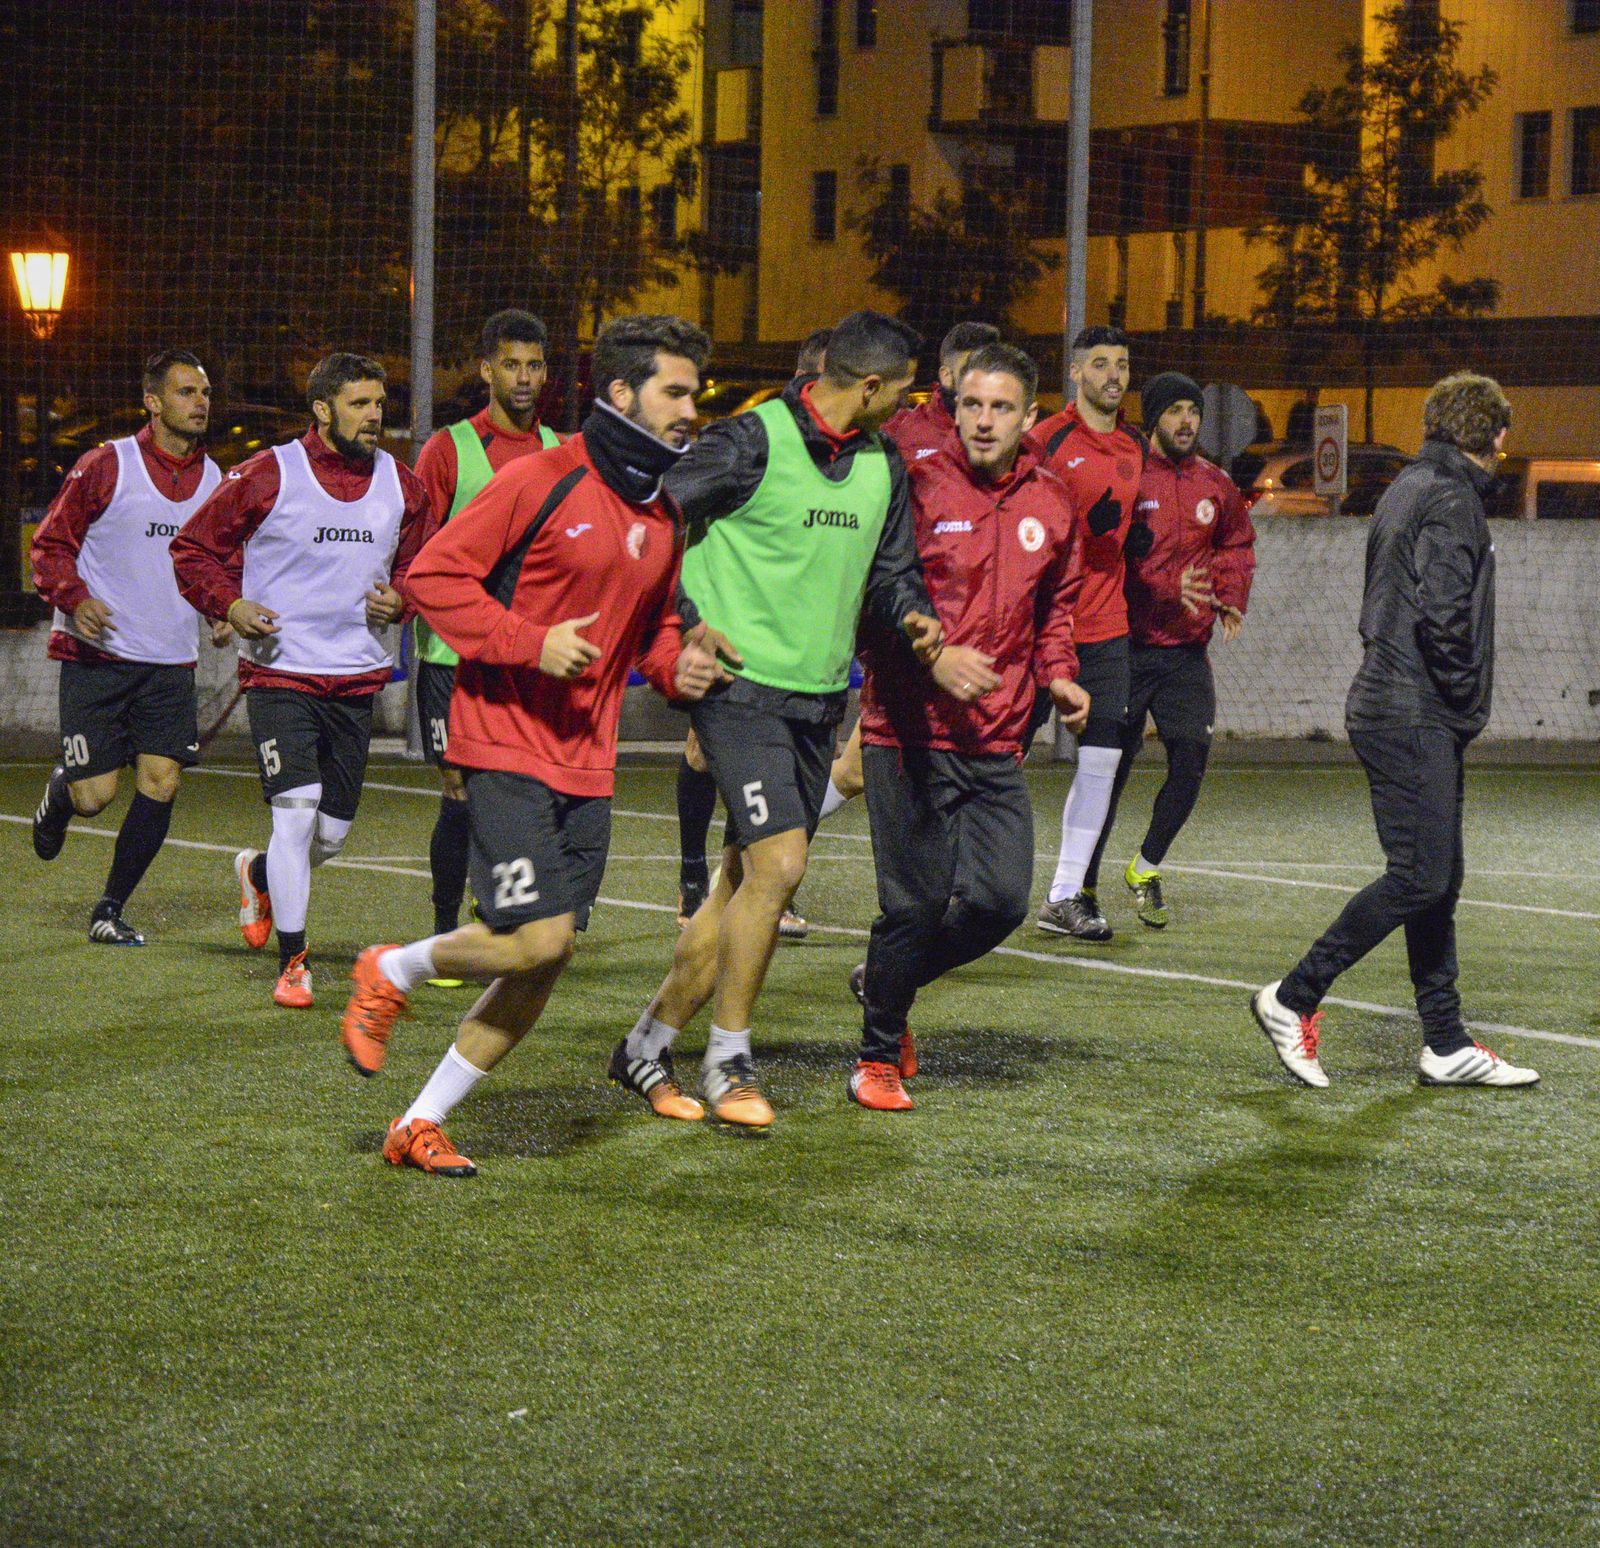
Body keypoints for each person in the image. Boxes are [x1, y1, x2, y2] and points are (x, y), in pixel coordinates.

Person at [339, 315, 725, 1178]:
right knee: (539, 940)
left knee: (541, 960)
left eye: (693, 394)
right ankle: (391, 966)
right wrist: (529, 639)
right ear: (622, 395)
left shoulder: (664, 515)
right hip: (503, 739)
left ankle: (420, 1121)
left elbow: (654, 631)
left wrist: (680, 667)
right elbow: (433, 577)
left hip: (588, 763)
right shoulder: (544, 479)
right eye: (675, 391)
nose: (690, 409)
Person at [616, 309, 985, 1130]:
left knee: (738, 890)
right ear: (870, 386)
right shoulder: (748, 443)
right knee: (779, 868)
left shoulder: (883, 463)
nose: (907, 407)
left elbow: (892, 577)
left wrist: (918, 619)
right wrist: (678, 625)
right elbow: (648, 526)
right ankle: (728, 1059)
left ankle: (646, 1043)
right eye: (903, 393)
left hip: (819, 701)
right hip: (738, 693)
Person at [1253, 373, 1538, 1089]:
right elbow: (1443, 613)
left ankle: (1444, 1042)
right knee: (1419, 875)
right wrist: (1464, 691)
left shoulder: (1409, 488)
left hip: (1400, 703)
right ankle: (1293, 997)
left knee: (1438, 878)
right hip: (1413, 708)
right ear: (1496, 436)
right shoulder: (1452, 499)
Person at [848, 343, 1089, 1110]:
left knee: (998, 903)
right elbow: (874, 600)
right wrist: (935, 656)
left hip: (994, 737)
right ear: (954, 407)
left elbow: (1056, 604)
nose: (984, 421)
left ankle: (886, 979)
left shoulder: (1051, 500)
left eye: (1002, 407)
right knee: (914, 906)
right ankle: (877, 1056)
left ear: (1029, 417)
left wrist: (1057, 670)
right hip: (907, 732)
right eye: (973, 405)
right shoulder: (911, 488)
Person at [171, 353, 433, 1007]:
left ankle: (257, 874)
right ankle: (295, 963)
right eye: (360, 404)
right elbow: (194, 548)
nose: (375, 415)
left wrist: (402, 597)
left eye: (380, 404)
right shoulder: (268, 473)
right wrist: (228, 605)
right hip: (280, 672)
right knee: (294, 812)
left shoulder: (402, 484)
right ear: (322, 409)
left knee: (331, 837)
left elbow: (429, 561)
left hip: (357, 677)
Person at [29, 350, 226, 944]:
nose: (201, 403)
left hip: (170, 662)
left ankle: (109, 910)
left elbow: (223, 560)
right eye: (187, 392)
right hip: (98, 657)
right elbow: (49, 545)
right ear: (154, 401)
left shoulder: (218, 481)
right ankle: (64, 791)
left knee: (162, 780)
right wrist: (75, 595)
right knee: (96, 797)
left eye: (206, 392)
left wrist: (222, 606)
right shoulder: (106, 465)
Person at [672, 328, 835, 938]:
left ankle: (741, 883)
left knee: (790, 786)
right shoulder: (752, 440)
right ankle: (696, 875)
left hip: (805, 658)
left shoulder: (857, 457)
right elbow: (665, 512)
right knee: (699, 754)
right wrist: (689, 615)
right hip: (728, 639)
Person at [412, 310, 561, 973]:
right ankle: (446, 930)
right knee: (459, 791)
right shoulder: (448, 450)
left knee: (521, 789)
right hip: (452, 656)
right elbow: (417, 547)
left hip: (528, 657)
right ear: (485, 370)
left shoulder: (562, 449)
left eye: (534, 365)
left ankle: (497, 919)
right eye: (511, 364)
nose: (523, 377)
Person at [1079, 372, 1256, 929]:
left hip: (1183, 652)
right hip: (1124, 648)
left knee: (1191, 762)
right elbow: (1105, 551)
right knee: (1110, 773)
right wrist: (1159, 585)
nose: (1187, 421)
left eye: (1194, 411)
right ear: (1154, 416)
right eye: (1176, 410)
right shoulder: (1129, 475)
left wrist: (1229, 597)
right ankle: (1079, 888)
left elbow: (1236, 542)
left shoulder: (1214, 483)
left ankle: (1146, 867)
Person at [816, 320, 1006, 824]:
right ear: (945, 374)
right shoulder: (898, 435)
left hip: (982, 634)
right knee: (862, 771)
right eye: (971, 372)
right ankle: (747, 874)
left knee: (964, 775)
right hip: (910, 625)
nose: (982, 389)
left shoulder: (1003, 443)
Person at [1032, 325, 1147, 941]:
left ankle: (1065, 894)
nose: (1113, 375)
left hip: (1106, 627)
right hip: (1037, 627)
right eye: (1100, 363)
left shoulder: (1135, 444)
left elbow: (1134, 534)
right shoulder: (1045, 440)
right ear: (1075, 373)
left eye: (1122, 365)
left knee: (1102, 760)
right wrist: (1079, 526)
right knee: (997, 757)